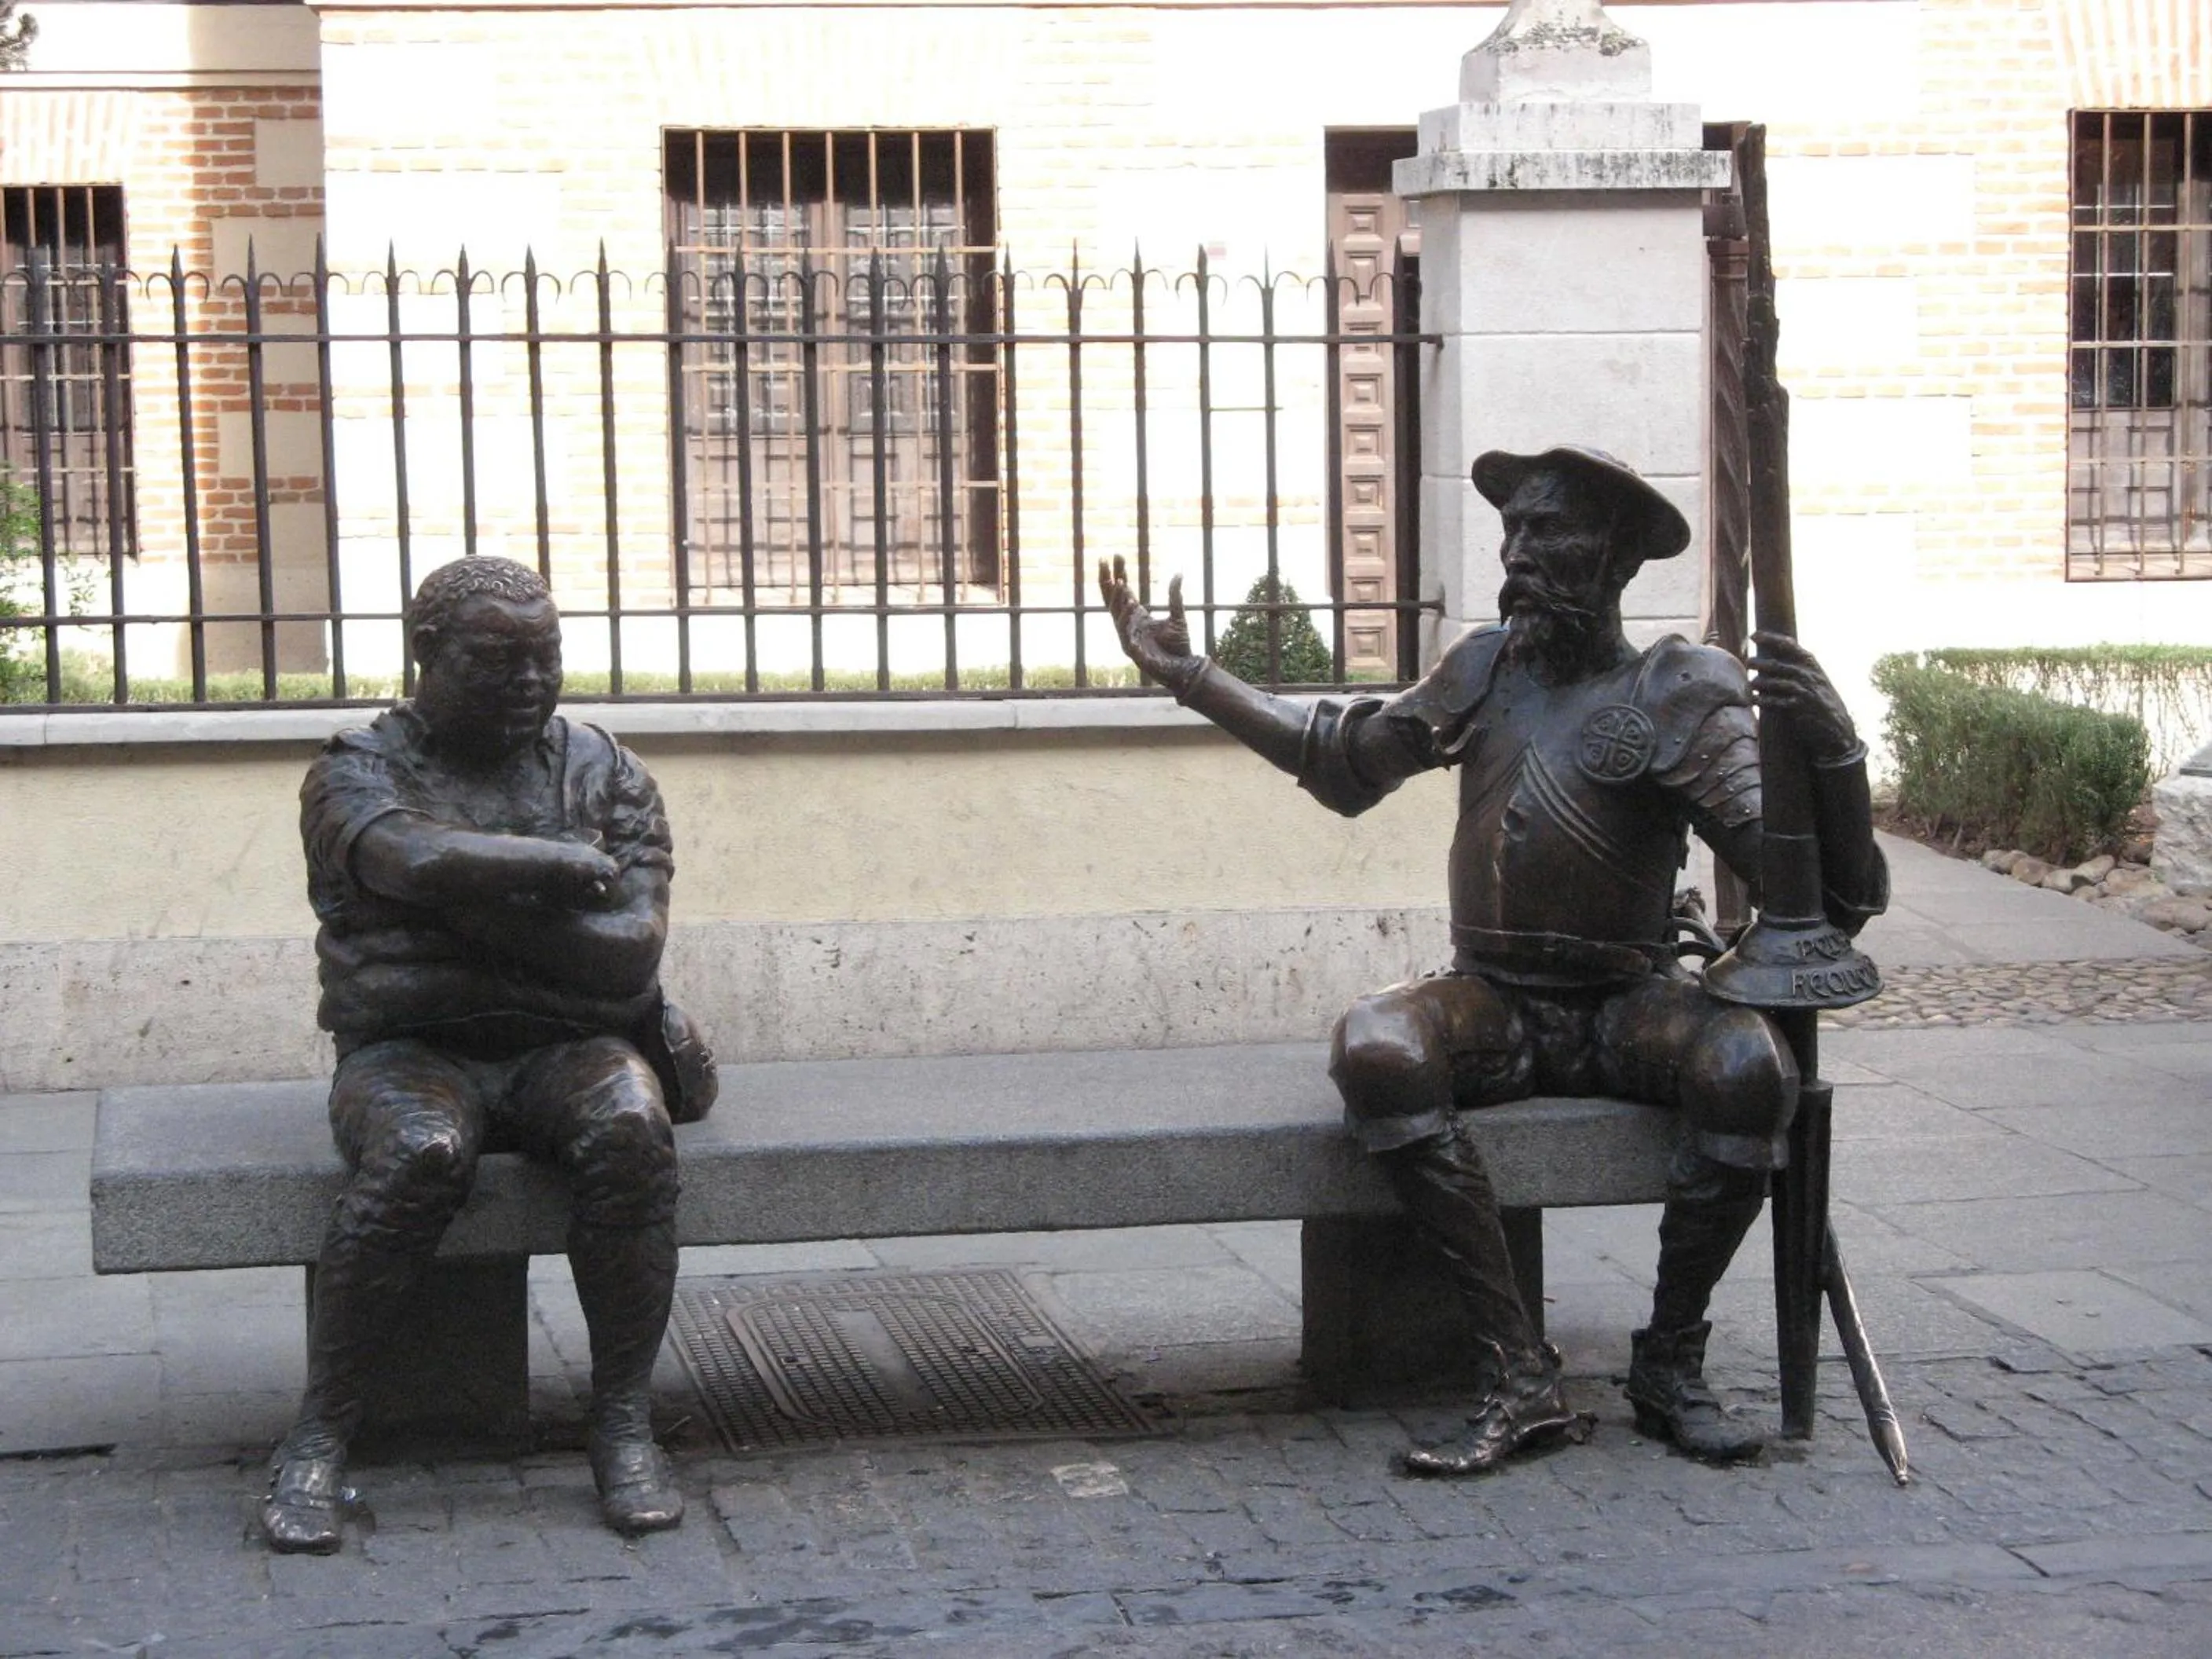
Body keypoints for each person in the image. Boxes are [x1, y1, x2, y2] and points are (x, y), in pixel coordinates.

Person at [1101, 445, 1886, 1474]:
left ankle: (1669, 1361)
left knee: (1747, 1067)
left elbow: (1822, 904)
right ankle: (1519, 1373)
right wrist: (1194, 678)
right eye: (1512, 530)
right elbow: (1343, 761)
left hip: (1626, 1004)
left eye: (1546, 530)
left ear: (1614, 553)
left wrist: (1835, 755)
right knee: (1377, 1044)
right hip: (1497, 1002)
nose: (1516, 552)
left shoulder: (1678, 688)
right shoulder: (1482, 670)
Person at [263, 555, 714, 1552]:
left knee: (631, 1126)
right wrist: (561, 871)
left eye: (545, 657)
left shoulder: (605, 771)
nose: (530, 681)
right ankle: (319, 1436)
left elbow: (628, 955)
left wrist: (445, 921)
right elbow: (408, 856)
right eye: (499, 660)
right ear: (427, 653)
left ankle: (622, 1425)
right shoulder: (356, 769)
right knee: (420, 1151)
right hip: (407, 1052)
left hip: (567, 1050)